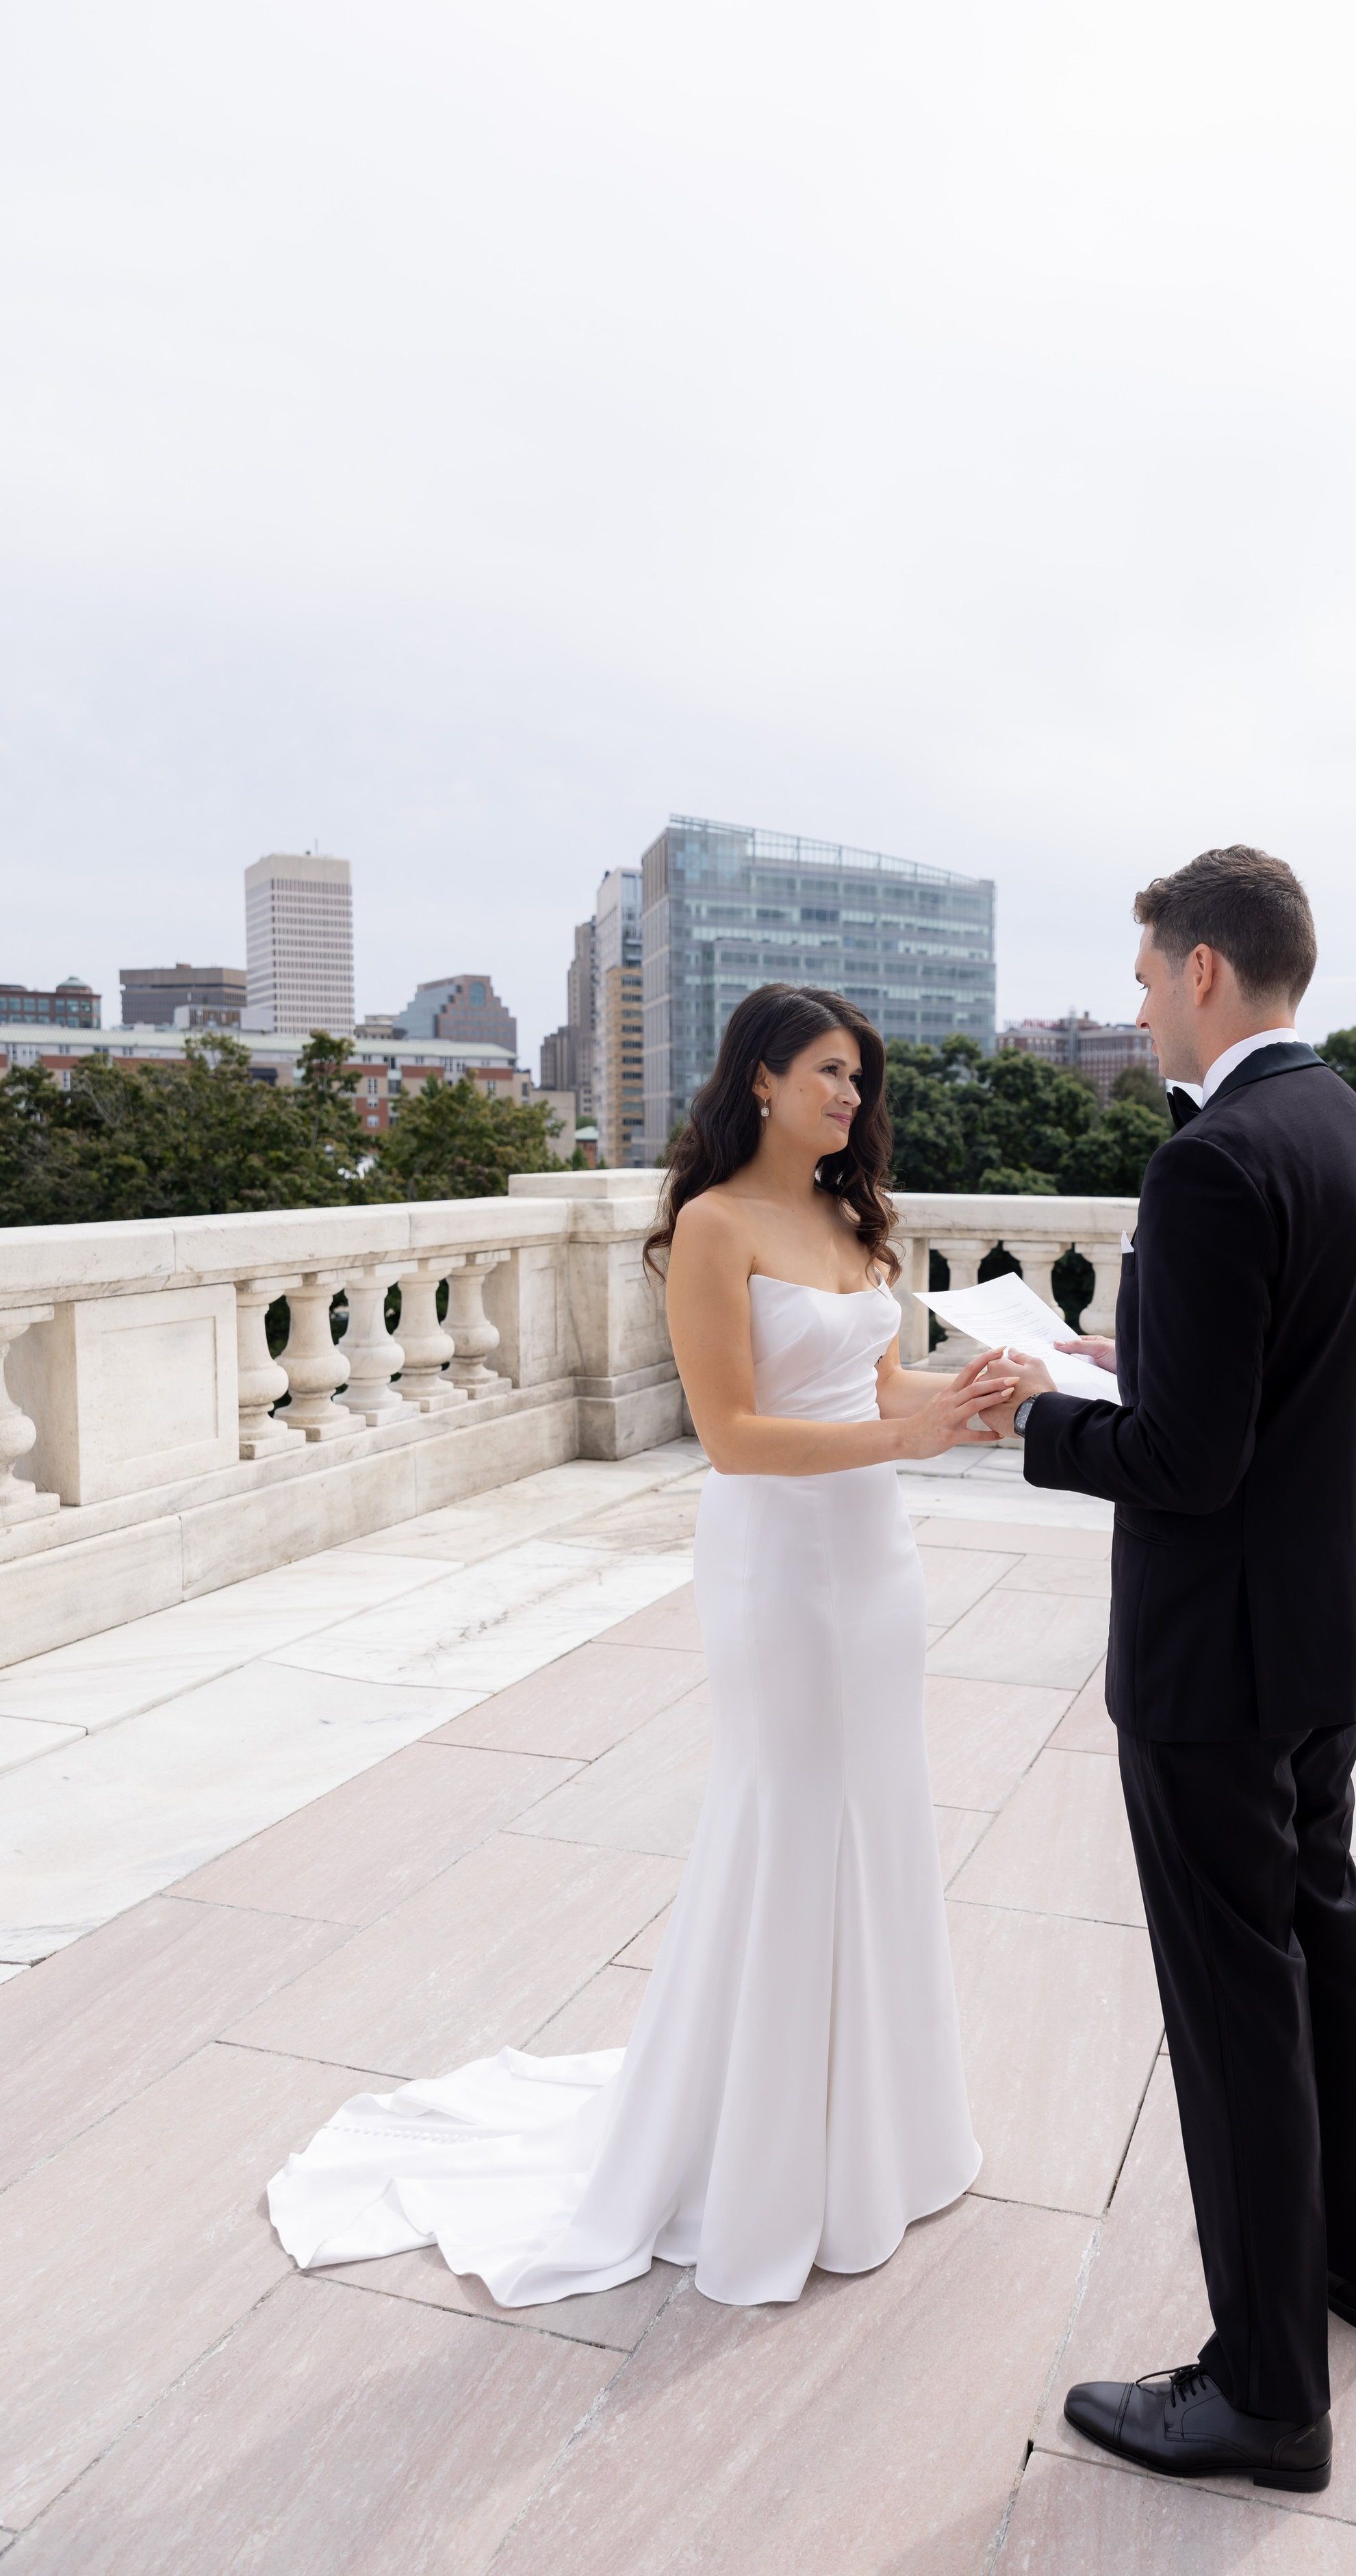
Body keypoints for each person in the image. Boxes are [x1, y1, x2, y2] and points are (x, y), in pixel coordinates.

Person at [266, 984, 1014, 2308]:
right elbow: (732, 1433)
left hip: (875, 1556)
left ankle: (878, 2139)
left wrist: (966, 1397)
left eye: (860, 1078)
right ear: (762, 1080)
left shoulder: (854, 1218)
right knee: (791, 1813)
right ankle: (760, 2157)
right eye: (829, 1072)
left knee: (882, 1809)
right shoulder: (715, 1225)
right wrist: (905, 1434)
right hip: (776, 1559)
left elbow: (877, 1381)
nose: (852, 1097)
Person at [983, 847, 1356, 2495]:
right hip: (1326, 1626)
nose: (1140, 1009)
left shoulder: (1212, 1161)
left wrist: (1039, 1414)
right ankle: (1354, 2266)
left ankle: (1263, 2392)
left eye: (1144, 976)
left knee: (1235, 2003)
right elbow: (1328, 1386)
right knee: (1321, 1940)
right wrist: (1143, 1353)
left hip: (1217, 1657)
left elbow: (1183, 1463)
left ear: (1201, 971)